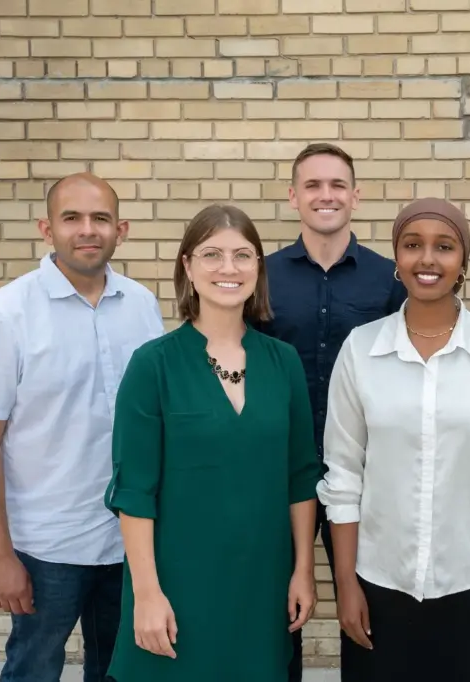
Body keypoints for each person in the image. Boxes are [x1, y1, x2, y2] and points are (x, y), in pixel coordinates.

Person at [0, 173, 164, 682]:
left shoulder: (142, 305)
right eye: (72, 218)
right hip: (47, 547)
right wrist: (0, 557)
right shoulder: (3, 316)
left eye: (100, 219)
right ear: (48, 229)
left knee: (118, 671)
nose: (87, 230)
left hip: (128, 539)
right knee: (33, 670)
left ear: (121, 229)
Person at [317, 198, 470, 682]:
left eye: (444, 247)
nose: (427, 259)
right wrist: (346, 584)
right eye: (412, 245)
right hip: (379, 583)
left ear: (462, 261)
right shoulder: (362, 349)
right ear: (396, 258)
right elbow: (342, 475)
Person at [102, 204, 321, 681]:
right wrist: (147, 593)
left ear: (259, 268)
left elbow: (301, 476)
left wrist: (303, 569)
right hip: (178, 581)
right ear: (187, 266)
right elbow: (134, 491)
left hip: (261, 584)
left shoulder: (282, 362)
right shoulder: (153, 365)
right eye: (212, 254)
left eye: (243, 255)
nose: (228, 268)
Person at [256, 142, 407, 680]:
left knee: (368, 600)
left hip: (368, 471)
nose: (327, 195)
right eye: (314, 185)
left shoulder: (391, 280)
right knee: (277, 604)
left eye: (337, 185)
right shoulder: (261, 275)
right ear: (293, 196)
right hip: (281, 469)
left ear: (356, 196)